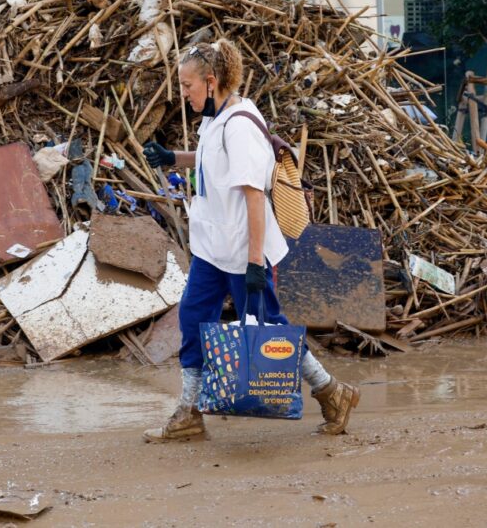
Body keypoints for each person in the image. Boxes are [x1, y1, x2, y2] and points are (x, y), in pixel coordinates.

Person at [141, 39, 360, 442]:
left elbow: (254, 197)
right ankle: (189, 410)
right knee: (193, 318)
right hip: (213, 249)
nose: (183, 93)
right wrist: (174, 157)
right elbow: (211, 159)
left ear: (211, 81)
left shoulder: (240, 125)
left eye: (187, 85)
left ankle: (332, 392)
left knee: (269, 329)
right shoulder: (216, 117)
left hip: (244, 251)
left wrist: (256, 264)